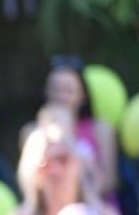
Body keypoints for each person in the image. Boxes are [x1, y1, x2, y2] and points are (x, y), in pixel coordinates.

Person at [40, 55, 118, 196]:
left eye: (68, 90)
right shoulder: (35, 133)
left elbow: (108, 182)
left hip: (96, 210)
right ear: (47, 92)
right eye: (56, 90)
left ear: (82, 95)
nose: (61, 96)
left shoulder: (101, 130)